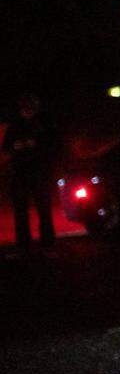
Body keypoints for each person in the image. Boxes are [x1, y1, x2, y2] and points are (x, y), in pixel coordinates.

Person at [2, 92, 58, 254]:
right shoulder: (15, 125)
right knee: (20, 209)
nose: (26, 112)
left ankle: (47, 242)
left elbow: (53, 144)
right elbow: (6, 147)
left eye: (30, 109)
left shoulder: (44, 124)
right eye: (24, 109)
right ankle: (24, 243)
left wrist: (37, 144)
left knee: (43, 208)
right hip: (21, 172)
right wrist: (16, 146)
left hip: (39, 172)